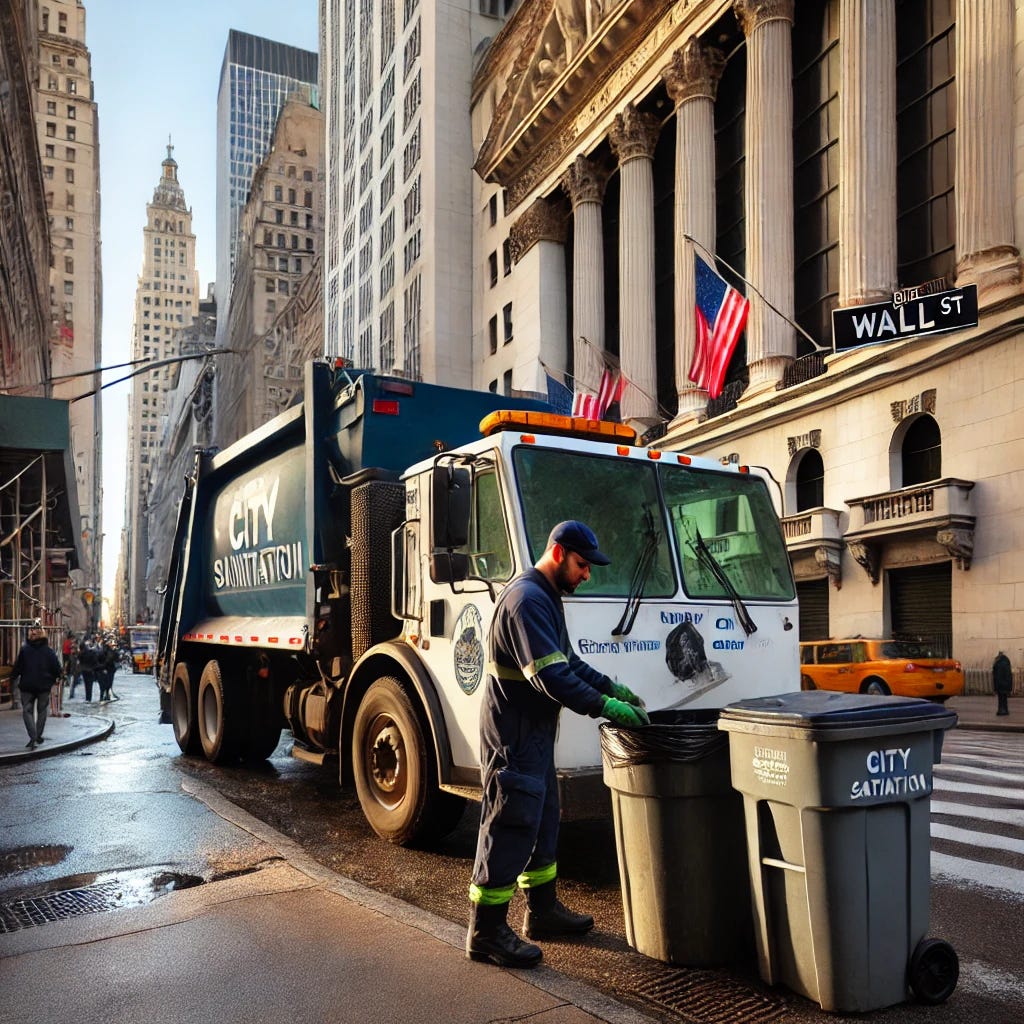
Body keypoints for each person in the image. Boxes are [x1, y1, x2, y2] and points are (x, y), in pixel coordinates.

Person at [466, 520, 649, 969]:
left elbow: (567, 662)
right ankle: (486, 931)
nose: (587, 575)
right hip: (515, 734)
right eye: (582, 565)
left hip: (533, 732)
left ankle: (541, 910)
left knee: (543, 819)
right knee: (511, 821)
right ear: (558, 552)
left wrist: (612, 688)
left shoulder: (545, 597)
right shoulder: (526, 600)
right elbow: (551, 676)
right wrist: (605, 705)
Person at [12, 623, 62, 750]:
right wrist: (57, 677)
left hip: (27, 686)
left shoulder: (24, 650)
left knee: (27, 711)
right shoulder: (49, 651)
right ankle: (38, 735)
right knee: (42, 711)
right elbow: (56, 668)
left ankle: (33, 735)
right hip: (44, 687)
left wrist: (12, 677)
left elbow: (18, 667)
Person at [993, 651, 1013, 717]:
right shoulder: (1007, 662)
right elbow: (1009, 675)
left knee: (1001, 699)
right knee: (1004, 699)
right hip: (1006, 684)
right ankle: (1005, 710)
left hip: (1000, 684)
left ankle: (1001, 711)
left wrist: (996, 687)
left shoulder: (998, 663)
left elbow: (996, 675)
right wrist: (1010, 686)